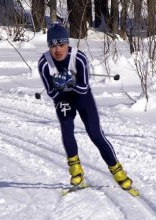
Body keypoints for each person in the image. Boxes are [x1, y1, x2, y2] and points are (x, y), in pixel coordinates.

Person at [38, 23, 134, 191]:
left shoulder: (79, 58)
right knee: (66, 129)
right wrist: (60, 86)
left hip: (82, 98)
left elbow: (83, 88)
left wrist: (69, 81)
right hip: (63, 99)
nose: (58, 50)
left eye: (61, 45)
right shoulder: (44, 63)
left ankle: (117, 170)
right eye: (53, 46)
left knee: (95, 134)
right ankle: (76, 170)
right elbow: (52, 93)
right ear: (49, 47)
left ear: (68, 44)